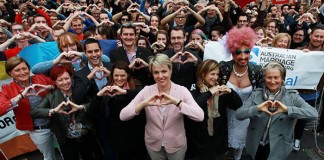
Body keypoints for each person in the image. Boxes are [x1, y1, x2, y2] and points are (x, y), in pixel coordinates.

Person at [120, 54, 204, 160]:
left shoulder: (181, 90)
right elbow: (123, 115)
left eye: (164, 71)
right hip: (153, 145)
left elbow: (200, 116)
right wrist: (143, 104)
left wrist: (177, 103)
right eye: (156, 72)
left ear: (170, 70)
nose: (160, 76)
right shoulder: (147, 90)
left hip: (176, 145)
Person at [235, 61, 318, 160]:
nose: (272, 81)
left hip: (279, 145)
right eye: (269, 77)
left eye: (276, 77)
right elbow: (239, 114)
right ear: (264, 78)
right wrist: (257, 108)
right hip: (256, 143)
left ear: (282, 79)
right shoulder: (256, 94)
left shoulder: (292, 96)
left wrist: (287, 110)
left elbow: (314, 114)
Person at [30, 65, 102, 160]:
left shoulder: (79, 91)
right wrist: (53, 110)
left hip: (86, 134)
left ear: (71, 78)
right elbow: (34, 112)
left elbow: (93, 104)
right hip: (66, 139)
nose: (65, 82)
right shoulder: (51, 97)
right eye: (60, 80)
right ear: (55, 82)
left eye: (67, 78)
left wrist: (81, 107)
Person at [220, 27, 263, 160]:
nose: (243, 56)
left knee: (239, 144)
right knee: (224, 141)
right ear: (232, 54)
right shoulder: (224, 68)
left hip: (245, 115)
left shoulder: (256, 71)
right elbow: (205, 73)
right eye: (238, 52)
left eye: (247, 52)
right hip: (225, 113)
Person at [0, 56, 56, 160]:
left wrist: (49, 87)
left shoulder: (40, 77)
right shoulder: (7, 88)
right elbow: (1, 109)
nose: (22, 72)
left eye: (24, 69)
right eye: (17, 70)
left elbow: (57, 86)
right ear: (10, 73)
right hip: (39, 130)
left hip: (57, 122)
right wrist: (20, 97)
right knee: (49, 157)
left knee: (67, 151)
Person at [187, 59, 243, 160]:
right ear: (203, 74)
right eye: (212, 74)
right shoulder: (194, 88)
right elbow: (194, 106)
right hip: (198, 143)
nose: (215, 77)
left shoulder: (220, 90)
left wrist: (230, 92)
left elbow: (238, 105)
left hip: (218, 142)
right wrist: (209, 92)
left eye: (217, 74)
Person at [93, 61, 147, 159]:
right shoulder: (107, 89)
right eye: (116, 75)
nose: (119, 78)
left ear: (128, 75)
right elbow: (94, 111)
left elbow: (141, 94)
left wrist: (124, 92)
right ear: (111, 75)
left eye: (122, 75)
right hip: (118, 136)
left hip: (136, 133)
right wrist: (98, 96)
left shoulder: (135, 84)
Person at [72, 38, 113, 159]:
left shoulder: (111, 67)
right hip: (98, 119)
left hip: (117, 115)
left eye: (96, 51)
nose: (94, 54)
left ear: (101, 51)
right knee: (107, 150)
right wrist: (89, 77)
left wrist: (111, 76)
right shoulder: (80, 74)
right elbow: (77, 97)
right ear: (85, 53)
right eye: (90, 52)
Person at [31, 32, 110, 74]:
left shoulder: (85, 55)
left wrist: (81, 55)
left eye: (72, 45)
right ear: (60, 48)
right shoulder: (59, 60)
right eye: (65, 46)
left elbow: (107, 60)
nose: (69, 49)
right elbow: (35, 70)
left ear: (77, 44)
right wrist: (56, 62)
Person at [163, 26, 202, 90]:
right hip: (169, 91)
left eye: (179, 38)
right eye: (173, 38)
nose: (176, 41)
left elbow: (203, 72)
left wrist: (196, 62)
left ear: (185, 38)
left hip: (189, 92)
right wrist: (169, 62)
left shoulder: (193, 54)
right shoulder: (164, 55)